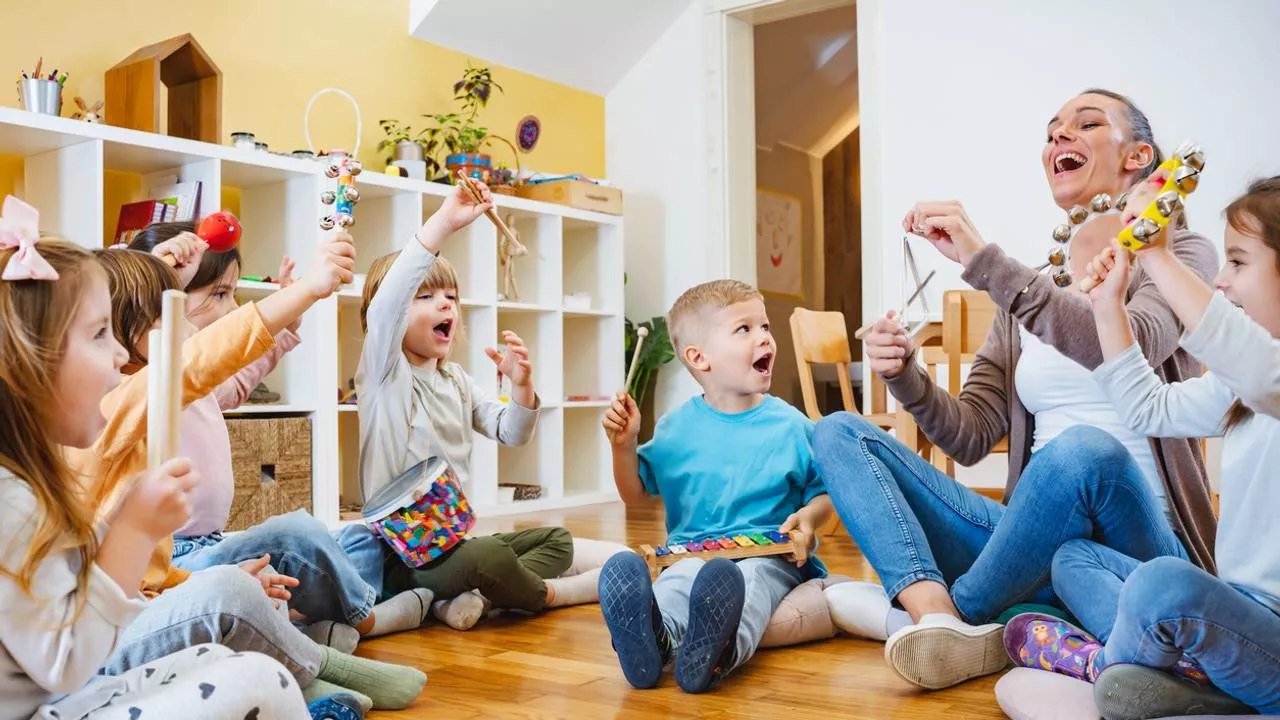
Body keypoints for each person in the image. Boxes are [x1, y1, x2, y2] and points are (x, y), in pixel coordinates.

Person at [812, 88, 1219, 690]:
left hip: (1137, 547)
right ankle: (937, 618)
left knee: (1084, 451)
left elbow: (1136, 346)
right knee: (838, 433)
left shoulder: (1180, 255)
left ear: (1138, 156)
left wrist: (983, 260)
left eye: (1085, 124)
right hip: (1026, 545)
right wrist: (906, 376)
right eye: (1051, 130)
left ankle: (968, 614)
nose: (1059, 137)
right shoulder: (1025, 292)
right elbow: (971, 435)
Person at [1004, 175, 1280, 719]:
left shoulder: (1261, 375)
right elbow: (1149, 408)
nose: (1221, 281)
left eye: (1239, 262)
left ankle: (1107, 663)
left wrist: (1158, 256)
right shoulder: (1242, 386)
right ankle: (1186, 675)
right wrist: (1109, 306)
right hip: (1237, 615)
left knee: (1162, 584)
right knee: (1074, 557)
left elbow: (1255, 364)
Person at [597, 279, 833, 693]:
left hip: (773, 556)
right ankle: (659, 642)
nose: (764, 338)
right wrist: (624, 445)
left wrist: (810, 518)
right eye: (744, 329)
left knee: (752, 582)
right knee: (675, 583)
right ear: (699, 358)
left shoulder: (792, 425)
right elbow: (635, 494)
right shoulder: (674, 430)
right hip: (692, 553)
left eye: (765, 327)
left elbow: (825, 490)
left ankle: (720, 652)